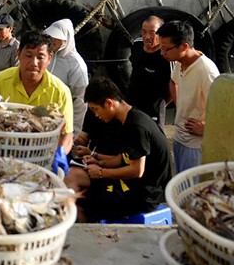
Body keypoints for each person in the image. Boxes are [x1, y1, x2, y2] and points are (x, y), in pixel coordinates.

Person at [65, 78, 172, 222]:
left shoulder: (136, 126)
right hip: (130, 183)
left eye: (96, 109)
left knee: (84, 199)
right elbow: (122, 158)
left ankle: (87, 233)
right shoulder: (128, 119)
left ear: (109, 103)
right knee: (72, 176)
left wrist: (102, 173)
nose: (96, 115)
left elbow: (136, 170)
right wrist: (96, 158)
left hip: (144, 194)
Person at [0, 30, 74, 173]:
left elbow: (66, 134)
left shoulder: (60, 91)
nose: (33, 63)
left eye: (40, 57)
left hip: (41, 158)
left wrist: (60, 154)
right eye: (28, 55)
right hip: (2, 154)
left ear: (49, 58)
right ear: (18, 54)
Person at [157, 20, 219, 173]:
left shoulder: (206, 71)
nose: (162, 54)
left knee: (192, 192)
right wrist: (181, 105)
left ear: (184, 46)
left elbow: (225, 109)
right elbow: (173, 82)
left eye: (166, 49)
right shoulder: (180, 61)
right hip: (180, 138)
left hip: (196, 145)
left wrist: (206, 128)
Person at [125, 16, 174, 128]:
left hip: (154, 108)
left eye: (152, 33)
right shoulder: (137, 45)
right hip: (132, 103)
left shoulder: (167, 54)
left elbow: (175, 84)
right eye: (144, 32)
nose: (147, 37)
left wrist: (161, 104)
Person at [44, 19, 89, 136]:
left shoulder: (76, 64)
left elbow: (80, 100)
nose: (52, 41)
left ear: (66, 39)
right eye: (51, 37)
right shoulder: (48, 56)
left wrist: (74, 132)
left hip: (62, 122)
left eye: (56, 38)